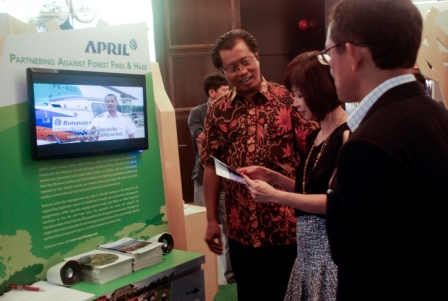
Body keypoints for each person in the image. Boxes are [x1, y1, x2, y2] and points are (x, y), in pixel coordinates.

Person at [322, 0, 448, 300]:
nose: (329, 67)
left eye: (328, 54)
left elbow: (380, 274)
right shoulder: (438, 115)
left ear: (351, 53)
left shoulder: (368, 146)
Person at [200, 29, 316, 300]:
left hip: (288, 229)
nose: (241, 71)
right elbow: (210, 164)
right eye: (232, 67)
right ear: (223, 72)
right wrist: (211, 220)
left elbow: (311, 157)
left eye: (246, 61)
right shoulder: (218, 110)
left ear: (257, 56)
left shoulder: (288, 99)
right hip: (242, 232)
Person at [239, 51, 348, 301]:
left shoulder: (348, 137)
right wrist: (272, 177)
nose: (296, 104)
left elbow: (335, 203)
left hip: (330, 254)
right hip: (307, 253)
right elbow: (308, 190)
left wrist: (277, 196)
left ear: (319, 90)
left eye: (299, 95)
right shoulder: (316, 136)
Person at [187, 72, 235, 284]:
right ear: (212, 92)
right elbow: (202, 141)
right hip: (204, 180)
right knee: (203, 227)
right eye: (226, 90)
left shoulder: (234, 110)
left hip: (229, 181)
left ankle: (232, 275)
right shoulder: (197, 113)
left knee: (231, 230)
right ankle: (204, 280)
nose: (230, 94)